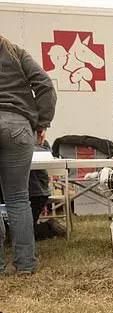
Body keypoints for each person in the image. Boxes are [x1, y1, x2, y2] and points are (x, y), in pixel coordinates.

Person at [0, 35, 56, 274]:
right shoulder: (15, 53)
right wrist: (42, 122)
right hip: (18, 126)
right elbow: (45, 84)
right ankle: (25, 265)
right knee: (18, 199)